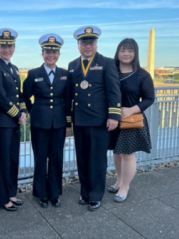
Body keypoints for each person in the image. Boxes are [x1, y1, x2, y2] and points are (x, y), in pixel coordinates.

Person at [66, 25, 121, 211]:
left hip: (99, 121)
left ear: (96, 44)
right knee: (82, 158)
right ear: (78, 45)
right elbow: (70, 95)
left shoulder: (107, 63)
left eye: (91, 42)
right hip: (80, 120)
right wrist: (68, 120)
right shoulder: (73, 65)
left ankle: (96, 195)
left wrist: (114, 115)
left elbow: (114, 91)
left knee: (97, 160)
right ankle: (85, 192)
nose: (87, 46)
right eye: (84, 43)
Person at [23, 33, 71, 208]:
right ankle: (41, 193)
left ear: (59, 54)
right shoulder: (33, 73)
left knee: (57, 158)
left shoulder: (65, 74)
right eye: (47, 52)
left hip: (59, 124)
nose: (51, 55)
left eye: (54, 52)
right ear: (42, 53)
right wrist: (33, 111)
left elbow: (68, 101)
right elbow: (25, 97)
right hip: (39, 124)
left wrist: (68, 124)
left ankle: (55, 193)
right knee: (41, 158)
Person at [108, 38, 155, 202]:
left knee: (127, 154)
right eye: (123, 50)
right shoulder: (111, 70)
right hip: (113, 119)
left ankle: (125, 186)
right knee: (116, 152)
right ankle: (119, 180)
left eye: (130, 50)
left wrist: (130, 110)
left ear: (135, 53)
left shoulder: (142, 75)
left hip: (131, 121)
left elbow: (149, 98)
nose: (126, 53)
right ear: (118, 52)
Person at [0, 28, 27, 211]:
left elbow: (18, 95)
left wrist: (24, 110)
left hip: (13, 122)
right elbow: (1, 97)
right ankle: (2, 198)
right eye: (3, 46)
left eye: (10, 46)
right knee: (2, 160)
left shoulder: (14, 68)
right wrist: (17, 114)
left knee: (13, 159)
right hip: (2, 122)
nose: (7, 49)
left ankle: (11, 193)